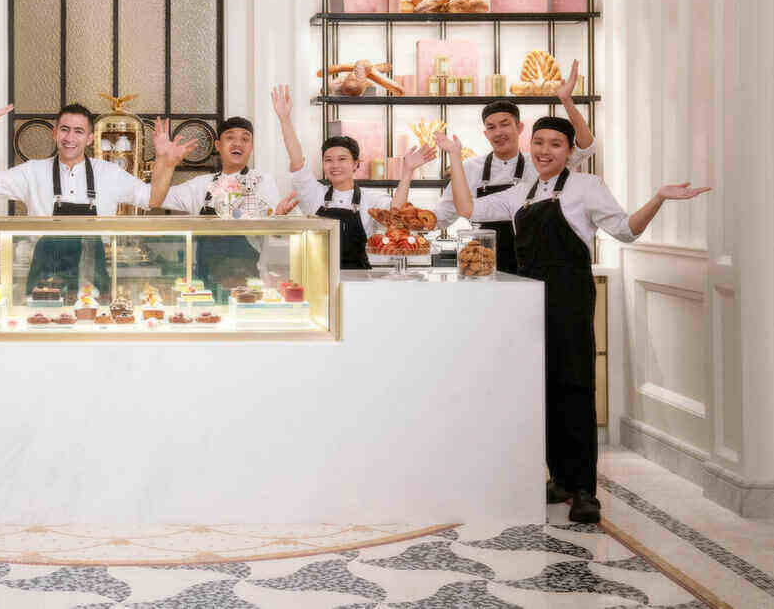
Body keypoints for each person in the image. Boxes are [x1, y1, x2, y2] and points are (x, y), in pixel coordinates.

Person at [445, 119, 710, 524]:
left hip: (569, 294)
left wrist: (658, 197)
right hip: (531, 298)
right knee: (543, 388)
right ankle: (560, 479)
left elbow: (626, 231)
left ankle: (585, 489)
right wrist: (454, 157)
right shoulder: (521, 192)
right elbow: (467, 209)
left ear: (570, 151)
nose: (544, 151)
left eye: (555, 144)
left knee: (575, 386)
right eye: (538, 143)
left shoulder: (587, 187)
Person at [0, 102, 194, 298]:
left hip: (93, 276)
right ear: (55, 133)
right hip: (45, 277)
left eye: (79, 131)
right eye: (64, 130)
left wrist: (166, 163)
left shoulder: (109, 173)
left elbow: (153, 199)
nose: (70, 138)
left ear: (90, 138)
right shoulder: (32, 171)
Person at [431, 61, 598, 273]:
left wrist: (567, 102)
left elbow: (587, 147)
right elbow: (443, 215)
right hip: (484, 266)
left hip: (534, 263)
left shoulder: (543, 162)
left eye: (505, 124)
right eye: (491, 127)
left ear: (519, 128)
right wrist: (406, 220)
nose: (498, 132)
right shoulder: (469, 168)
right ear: (486, 134)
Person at [272, 85, 433, 269]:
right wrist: (284, 119)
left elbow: (396, 212)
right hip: (318, 275)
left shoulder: (370, 198)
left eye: (342, 159)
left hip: (360, 277)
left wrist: (407, 171)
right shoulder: (313, 193)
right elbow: (296, 159)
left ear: (356, 164)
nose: (334, 165)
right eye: (328, 160)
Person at [156, 115, 287, 293]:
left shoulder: (263, 182)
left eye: (245, 139)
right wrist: (165, 162)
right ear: (218, 145)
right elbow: (157, 198)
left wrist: (279, 219)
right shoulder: (201, 185)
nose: (237, 143)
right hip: (205, 286)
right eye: (230, 137)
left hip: (249, 284)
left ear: (251, 146)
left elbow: (276, 228)